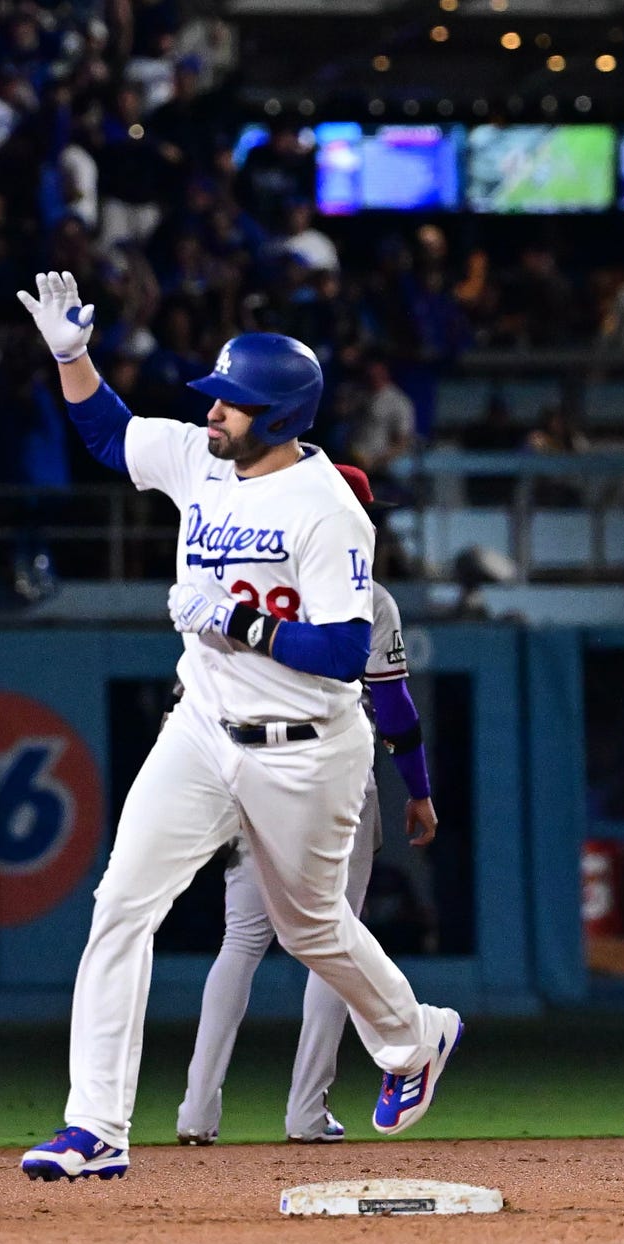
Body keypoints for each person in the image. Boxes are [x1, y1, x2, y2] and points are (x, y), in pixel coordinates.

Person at [14, 271, 462, 1181]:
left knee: (311, 932)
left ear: (281, 414)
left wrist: (241, 622)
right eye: (215, 398)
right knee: (120, 908)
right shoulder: (199, 458)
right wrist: (71, 355)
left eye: (232, 403)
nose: (213, 412)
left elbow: (344, 649)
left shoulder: (328, 509)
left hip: (306, 751)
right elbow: (106, 433)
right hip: (204, 729)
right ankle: (95, 1129)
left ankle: (415, 1039)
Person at [175, 462, 437, 1145]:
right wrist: (421, 789)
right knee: (333, 938)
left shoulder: (239, 583)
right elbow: (397, 707)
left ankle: (196, 1112)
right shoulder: (367, 598)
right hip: (328, 775)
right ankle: (305, 1112)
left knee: (242, 941)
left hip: (242, 768)